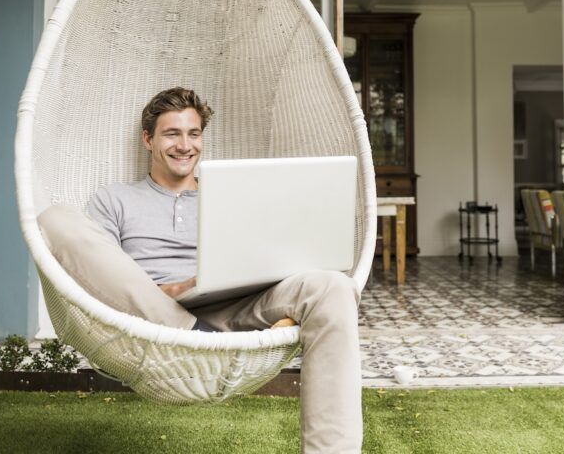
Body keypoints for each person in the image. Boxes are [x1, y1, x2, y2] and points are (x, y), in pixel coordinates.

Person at [86, 87, 362, 454]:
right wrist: (164, 291)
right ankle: (183, 321)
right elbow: (98, 271)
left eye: (194, 134)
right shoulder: (114, 200)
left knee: (333, 287)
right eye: (172, 134)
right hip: (151, 314)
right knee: (55, 220)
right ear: (147, 140)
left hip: (231, 307)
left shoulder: (231, 195)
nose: (185, 145)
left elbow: (263, 257)